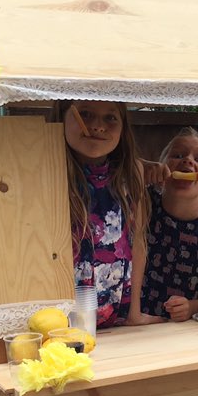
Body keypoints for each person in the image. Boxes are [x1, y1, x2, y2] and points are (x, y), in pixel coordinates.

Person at [57, 100, 155, 328]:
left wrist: (134, 313)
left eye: (110, 118)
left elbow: (138, 242)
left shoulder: (132, 173)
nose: (98, 126)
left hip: (115, 312)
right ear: (62, 116)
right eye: (85, 114)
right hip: (60, 319)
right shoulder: (50, 170)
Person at [140, 127, 198, 321]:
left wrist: (194, 306)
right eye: (177, 156)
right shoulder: (143, 205)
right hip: (140, 322)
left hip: (191, 329)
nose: (187, 161)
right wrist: (140, 170)